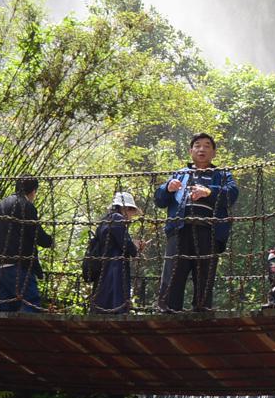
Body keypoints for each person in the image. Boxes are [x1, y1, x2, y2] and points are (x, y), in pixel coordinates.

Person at [154, 132, 240, 311]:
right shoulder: (180, 174)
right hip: (180, 229)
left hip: (208, 231)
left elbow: (232, 194)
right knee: (174, 274)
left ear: (214, 152)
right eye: (197, 145)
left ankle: (201, 312)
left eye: (207, 146)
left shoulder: (222, 174)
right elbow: (159, 200)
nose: (202, 149)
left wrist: (209, 191)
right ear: (190, 151)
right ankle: (169, 311)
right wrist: (167, 188)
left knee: (204, 276)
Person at [0, 176, 53, 312]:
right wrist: (50, 241)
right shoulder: (25, 205)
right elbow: (36, 233)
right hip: (17, 265)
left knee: (6, 307)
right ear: (33, 191)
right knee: (31, 302)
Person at [84, 191, 144, 314]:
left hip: (106, 265)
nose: (132, 215)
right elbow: (125, 244)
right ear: (125, 208)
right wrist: (135, 247)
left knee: (103, 297)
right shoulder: (117, 218)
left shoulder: (106, 219)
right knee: (115, 300)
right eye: (131, 211)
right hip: (114, 267)